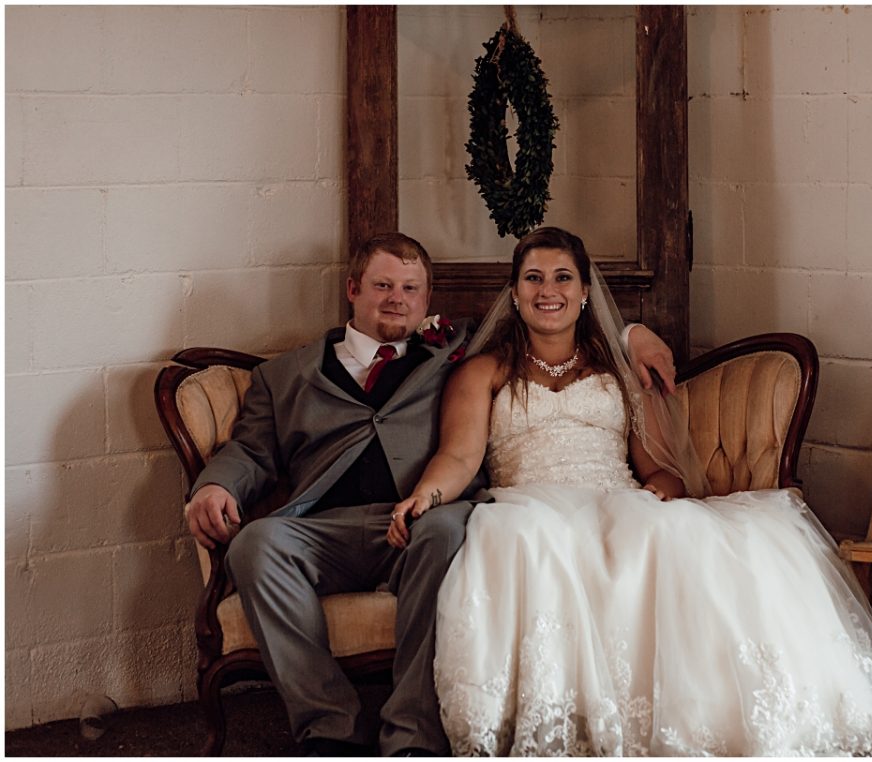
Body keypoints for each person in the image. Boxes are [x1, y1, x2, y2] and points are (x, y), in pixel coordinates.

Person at [389, 227, 872, 756]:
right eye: (533, 278)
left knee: (678, 533)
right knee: (527, 537)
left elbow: (660, 470)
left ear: (585, 290)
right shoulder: (484, 371)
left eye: (562, 277)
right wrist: (425, 497)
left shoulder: (617, 372)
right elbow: (458, 457)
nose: (548, 290)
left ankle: (700, 723)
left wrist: (660, 493)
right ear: (515, 291)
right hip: (529, 503)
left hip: (616, 502)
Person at [181, 232, 678, 756]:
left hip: (423, 520)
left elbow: (551, 318)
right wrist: (214, 484)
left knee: (447, 531)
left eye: (411, 289)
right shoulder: (282, 376)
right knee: (255, 545)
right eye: (383, 285)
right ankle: (329, 728)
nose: (397, 298)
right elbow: (250, 450)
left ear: (427, 300)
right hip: (323, 527)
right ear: (353, 288)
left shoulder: (454, 350)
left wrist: (632, 334)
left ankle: (411, 735)